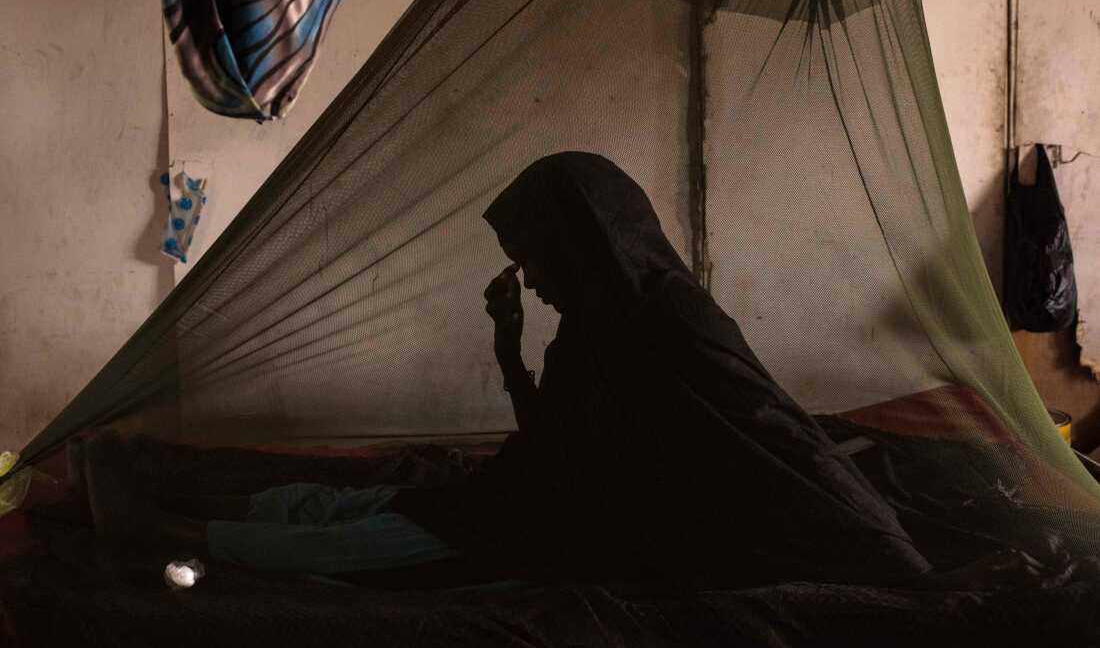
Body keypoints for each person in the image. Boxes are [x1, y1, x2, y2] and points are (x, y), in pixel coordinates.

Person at [82, 150, 935, 589]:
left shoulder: (672, 324)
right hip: (537, 501)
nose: (528, 279)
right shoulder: (591, 330)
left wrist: (873, 544)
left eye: (534, 259)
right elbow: (553, 442)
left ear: (583, 247)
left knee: (371, 537)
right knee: (373, 501)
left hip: (567, 529)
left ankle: (175, 536)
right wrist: (508, 351)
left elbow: (766, 439)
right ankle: (193, 504)